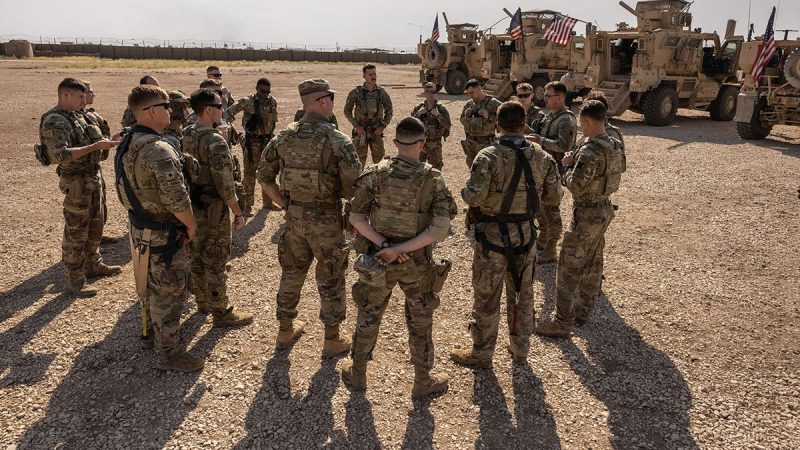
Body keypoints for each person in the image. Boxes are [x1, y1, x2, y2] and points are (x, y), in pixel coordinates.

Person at [340, 117, 457, 398]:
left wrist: (385, 245)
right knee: (420, 317)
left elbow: (356, 218)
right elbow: (439, 229)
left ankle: (358, 373)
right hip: (416, 264)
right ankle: (422, 380)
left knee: (369, 313)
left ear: (394, 142)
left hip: (378, 259)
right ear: (422, 144)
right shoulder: (433, 179)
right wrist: (402, 249)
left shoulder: (376, 173)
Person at [450, 101, 562, 368]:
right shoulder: (542, 157)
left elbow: (473, 197)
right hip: (525, 234)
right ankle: (520, 349)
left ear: (497, 125)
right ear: (524, 125)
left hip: (493, 237)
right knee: (523, 293)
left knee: (487, 296)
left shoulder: (488, 156)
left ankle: (482, 353)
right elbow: (554, 196)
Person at [258, 79, 362, 356]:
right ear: (321, 101)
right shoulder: (338, 140)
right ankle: (331, 339)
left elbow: (264, 177)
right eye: (330, 98)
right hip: (327, 220)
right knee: (331, 277)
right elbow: (355, 188)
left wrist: (284, 204)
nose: (332, 103)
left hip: (294, 218)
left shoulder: (283, 138)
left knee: (292, 272)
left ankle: (285, 330)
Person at [114, 84, 203, 371]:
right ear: (152, 112)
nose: (171, 111)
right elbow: (177, 199)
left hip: (141, 226)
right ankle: (169, 352)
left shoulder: (129, 140)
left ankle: (152, 333)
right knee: (170, 292)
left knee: (151, 286)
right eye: (166, 106)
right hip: (163, 231)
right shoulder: (159, 150)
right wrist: (191, 225)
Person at [535, 100, 625, 337]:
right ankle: (583, 311)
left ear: (586, 121)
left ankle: (561, 322)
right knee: (594, 261)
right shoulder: (614, 144)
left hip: (586, 213)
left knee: (568, 266)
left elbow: (575, 185)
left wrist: (566, 166)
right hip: (604, 208)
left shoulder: (589, 151)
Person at [37, 78, 121, 297]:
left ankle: (93, 264)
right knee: (77, 231)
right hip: (76, 183)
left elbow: (93, 145)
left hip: (92, 177)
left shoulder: (79, 116)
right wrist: (95, 146)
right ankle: (75, 280)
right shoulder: (55, 120)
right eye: (80, 96)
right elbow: (60, 155)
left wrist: (109, 142)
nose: (85, 100)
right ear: (66, 94)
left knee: (96, 224)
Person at [181, 89, 254, 326]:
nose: (223, 111)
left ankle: (202, 302)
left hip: (192, 206)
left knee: (196, 256)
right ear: (208, 109)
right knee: (215, 260)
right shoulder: (215, 141)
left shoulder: (187, 134)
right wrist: (238, 212)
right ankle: (221, 312)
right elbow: (225, 184)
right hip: (214, 209)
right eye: (220, 107)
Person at [528, 81, 577, 263]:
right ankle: (543, 241)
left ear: (560, 97)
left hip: (554, 171)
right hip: (542, 169)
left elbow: (564, 145)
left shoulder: (566, 120)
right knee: (540, 209)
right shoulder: (550, 116)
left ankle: (551, 250)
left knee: (551, 211)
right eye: (545, 96)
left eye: (548, 96)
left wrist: (540, 141)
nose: (545, 99)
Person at [225, 78, 280, 214]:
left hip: (267, 141)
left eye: (268, 91)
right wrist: (229, 128)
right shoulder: (247, 101)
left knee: (267, 173)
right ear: (256, 88)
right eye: (262, 91)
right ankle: (247, 206)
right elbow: (229, 112)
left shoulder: (272, 102)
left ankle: (268, 203)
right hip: (252, 142)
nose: (265, 94)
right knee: (250, 174)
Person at [344, 64, 393, 166]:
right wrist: (356, 126)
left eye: (374, 74)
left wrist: (382, 127)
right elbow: (347, 111)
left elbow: (389, 110)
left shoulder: (381, 92)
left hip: (376, 132)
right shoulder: (356, 92)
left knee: (380, 164)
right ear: (364, 76)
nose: (373, 76)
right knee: (358, 162)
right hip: (361, 132)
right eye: (370, 74)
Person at [460, 79, 501, 168]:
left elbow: (506, 119)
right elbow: (461, 120)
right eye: (468, 93)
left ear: (479, 88)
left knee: (486, 170)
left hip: (486, 145)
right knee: (472, 169)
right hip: (471, 145)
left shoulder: (493, 103)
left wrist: (489, 117)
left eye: (472, 92)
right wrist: (467, 116)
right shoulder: (469, 104)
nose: (470, 95)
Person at [411, 82, 451, 170]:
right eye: (428, 92)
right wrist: (418, 114)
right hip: (420, 144)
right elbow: (410, 125)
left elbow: (448, 125)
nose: (430, 94)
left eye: (433, 92)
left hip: (435, 145)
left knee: (435, 170)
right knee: (417, 169)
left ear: (436, 93)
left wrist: (438, 115)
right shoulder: (418, 108)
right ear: (424, 93)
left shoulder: (441, 109)